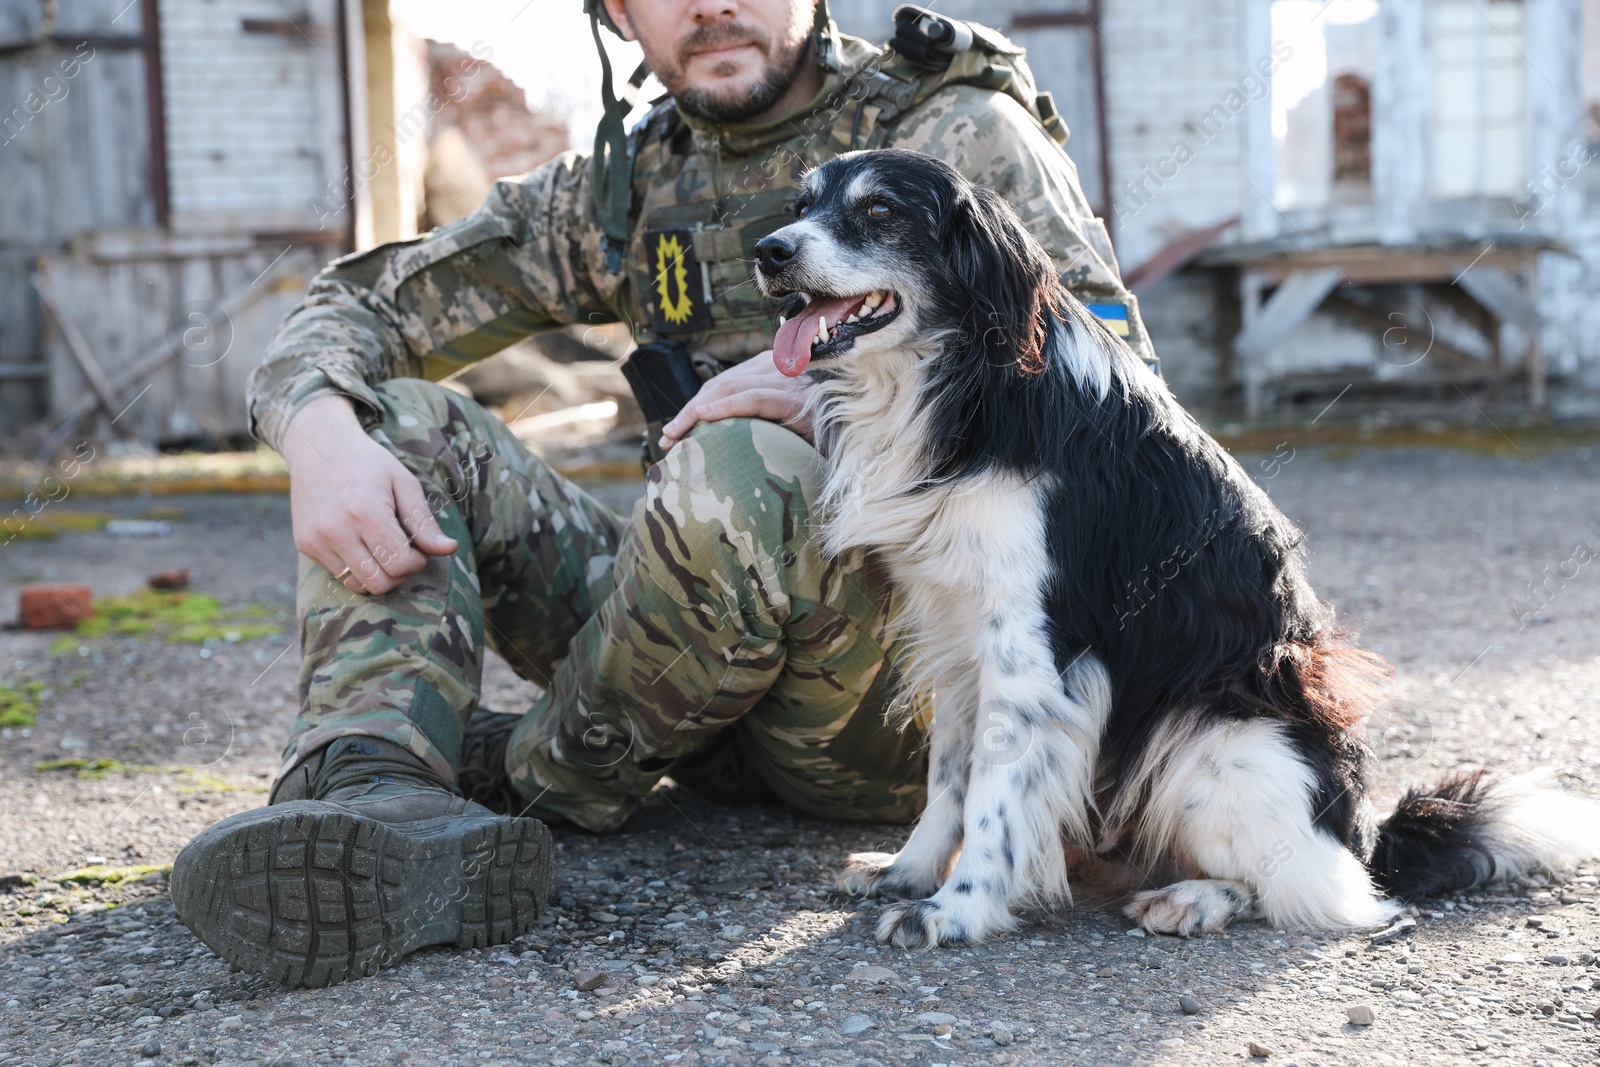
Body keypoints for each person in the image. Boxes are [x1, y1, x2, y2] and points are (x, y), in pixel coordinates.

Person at [170, 0, 1158, 987]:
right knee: (401, 422)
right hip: (683, 658)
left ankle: (520, 776)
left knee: (738, 463)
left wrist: (841, 402)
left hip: (890, 693)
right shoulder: (632, 179)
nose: (712, 5)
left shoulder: (955, 133)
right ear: (615, 15)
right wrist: (316, 428)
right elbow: (362, 303)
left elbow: (1118, 402)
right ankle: (375, 802)